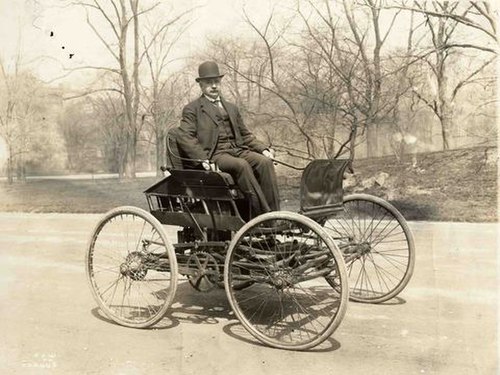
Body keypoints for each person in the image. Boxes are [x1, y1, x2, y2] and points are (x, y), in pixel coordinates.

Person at [177, 61, 280, 215]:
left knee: (264, 162)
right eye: (209, 83)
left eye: (216, 82)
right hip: (216, 155)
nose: (213, 86)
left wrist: (263, 149)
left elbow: (245, 135)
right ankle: (262, 216)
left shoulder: (231, 107)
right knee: (241, 165)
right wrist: (203, 160)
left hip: (238, 149)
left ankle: (276, 214)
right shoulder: (193, 109)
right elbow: (185, 136)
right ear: (201, 85)